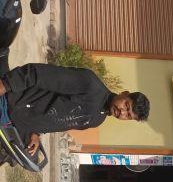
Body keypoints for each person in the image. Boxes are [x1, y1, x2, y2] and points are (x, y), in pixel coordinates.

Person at [0, 63, 150, 157]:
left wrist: (36, 133)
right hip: (8, 103)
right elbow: (37, 73)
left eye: (128, 115)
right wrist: (5, 85)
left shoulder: (98, 120)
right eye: (126, 106)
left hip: (13, 126)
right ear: (124, 93)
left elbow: (57, 120)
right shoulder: (90, 84)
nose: (122, 112)